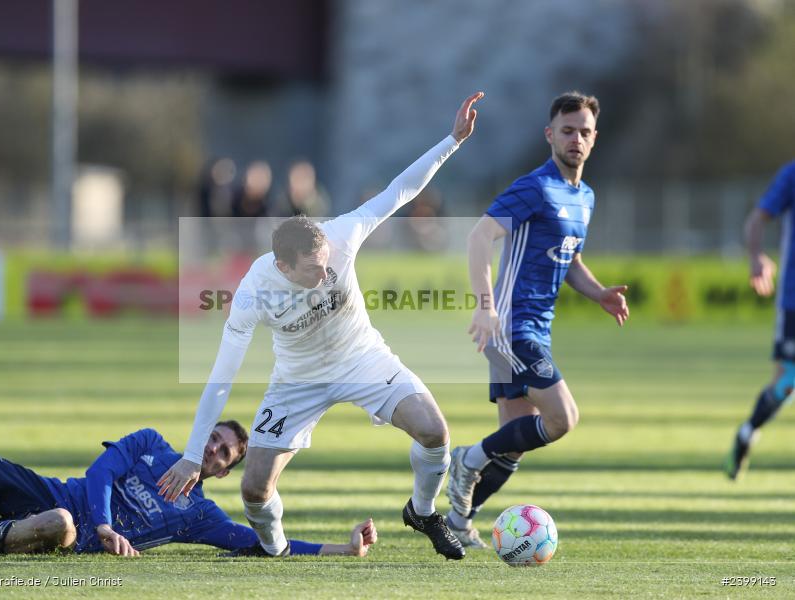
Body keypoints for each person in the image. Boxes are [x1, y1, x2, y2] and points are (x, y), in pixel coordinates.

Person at [158, 92, 486, 560]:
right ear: (284, 266)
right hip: (298, 380)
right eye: (314, 270)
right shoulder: (253, 291)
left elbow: (401, 189)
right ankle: (274, 550)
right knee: (253, 490)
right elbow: (221, 376)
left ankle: (422, 511)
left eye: (328, 263)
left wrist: (452, 140)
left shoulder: (341, 235)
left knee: (436, 433)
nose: (327, 273)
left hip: (362, 357)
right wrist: (193, 453)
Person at [445, 91, 629, 548]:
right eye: (567, 131)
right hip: (508, 325)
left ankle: (455, 520)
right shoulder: (535, 187)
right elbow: (479, 237)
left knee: (511, 448)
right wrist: (485, 305)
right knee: (563, 417)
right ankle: (466, 458)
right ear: (550, 135)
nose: (576, 139)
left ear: (594, 138)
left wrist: (598, 292)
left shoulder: (584, 196)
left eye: (584, 132)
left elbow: (571, 261)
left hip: (533, 329)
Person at [0, 423, 376, 557]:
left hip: (63, 532)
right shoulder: (150, 443)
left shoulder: (198, 516)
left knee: (61, 523)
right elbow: (102, 471)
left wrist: (344, 548)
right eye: (213, 437)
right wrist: (106, 523)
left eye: (224, 452)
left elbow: (264, 543)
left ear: (225, 472)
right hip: (43, 491)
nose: (213, 449)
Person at [724, 160, 795, 480]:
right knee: (787, 383)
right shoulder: (792, 174)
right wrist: (756, 258)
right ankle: (747, 433)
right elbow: (756, 220)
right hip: (793, 301)